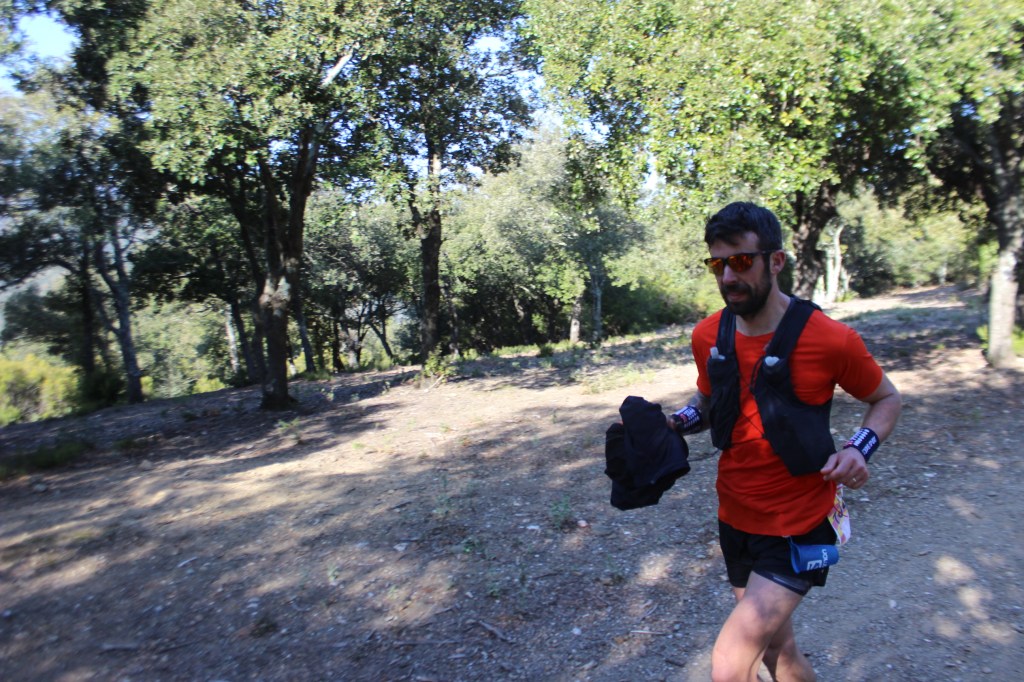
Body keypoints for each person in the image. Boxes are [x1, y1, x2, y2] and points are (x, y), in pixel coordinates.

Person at [669, 202, 902, 682]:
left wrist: (858, 448)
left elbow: (886, 398)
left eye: (740, 261)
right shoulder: (708, 335)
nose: (727, 277)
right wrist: (676, 422)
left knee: (730, 661)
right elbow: (709, 403)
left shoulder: (830, 339)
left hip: (801, 523)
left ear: (775, 261)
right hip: (736, 516)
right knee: (778, 649)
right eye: (717, 264)